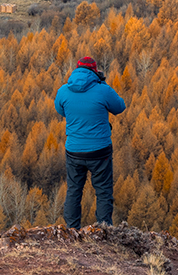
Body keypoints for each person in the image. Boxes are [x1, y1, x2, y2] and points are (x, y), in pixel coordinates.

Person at [54, 55, 126, 228]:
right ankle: (103, 231)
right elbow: (120, 107)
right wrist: (103, 84)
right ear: (95, 71)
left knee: (73, 190)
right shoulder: (103, 90)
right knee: (103, 192)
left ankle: (72, 231)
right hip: (100, 151)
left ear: (76, 69)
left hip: (74, 150)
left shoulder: (63, 90)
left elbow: (61, 110)